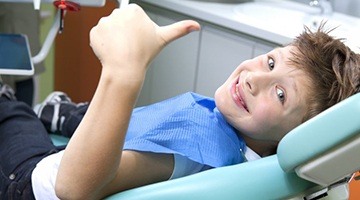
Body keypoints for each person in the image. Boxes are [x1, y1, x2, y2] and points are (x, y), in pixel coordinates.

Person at [0, 4, 359, 200]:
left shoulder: (192, 151)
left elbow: (73, 188)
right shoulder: (233, 145)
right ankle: (70, 116)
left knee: (15, 113)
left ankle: (59, 113)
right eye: (270, 61)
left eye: (280, 95)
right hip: (69, 158)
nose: (254, 78)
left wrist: (123, 72)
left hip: (31, 181)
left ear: (287, 139)